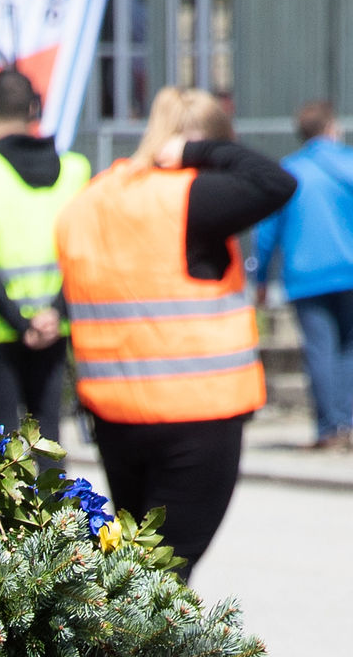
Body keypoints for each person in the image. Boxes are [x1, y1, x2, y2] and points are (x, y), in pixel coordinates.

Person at [59, 88, 295, 579]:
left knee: (135, 568)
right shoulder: (190, 197)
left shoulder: (92, 199)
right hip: (196, 416)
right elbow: (275, 181)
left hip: (115, 416)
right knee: (164, 576)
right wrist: (198, 151)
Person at [0, 67, 89, 441]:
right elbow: (84, 256)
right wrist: (53, 314)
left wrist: (21, 324)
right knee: (47, 439)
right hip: (53, 329)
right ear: (34, 109)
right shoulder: (76, 170)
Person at [255, 102, 353, 450]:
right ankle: (344, 422)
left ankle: (328, 428)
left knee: (320, 349)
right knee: (352, 347)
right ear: (332, 127)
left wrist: (259, 279)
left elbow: (266, 233)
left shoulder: (290, 172)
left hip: (307, 275)